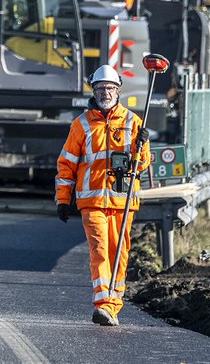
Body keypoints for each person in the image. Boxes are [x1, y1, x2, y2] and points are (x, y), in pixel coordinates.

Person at [55, 64, 150, 327]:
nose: (105, 92)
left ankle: (113, 305)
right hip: (93, 201)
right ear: (93, 91)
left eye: (110, 88)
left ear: (118, 90)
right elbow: (66, 164)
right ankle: (102, 303)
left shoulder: (133, 123)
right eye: (101, 88)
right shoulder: (81, 124)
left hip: (122, 201)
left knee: (118, 253)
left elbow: (141, 164)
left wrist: (141, 145)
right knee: (100, 250)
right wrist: (63, 199)